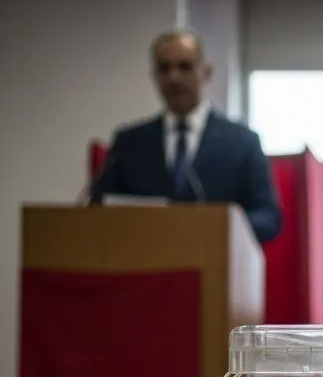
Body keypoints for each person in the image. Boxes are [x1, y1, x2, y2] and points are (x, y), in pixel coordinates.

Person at [91, 29, 282, 243]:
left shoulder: (243, 142)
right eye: (165, 68)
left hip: (216, 256)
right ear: (154, 75)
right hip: (144, 256)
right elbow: (96, 211)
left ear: (206, 72)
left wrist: (220, 226)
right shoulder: (129, 143)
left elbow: (268, 217)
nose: (174, 77)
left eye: (185, 66)